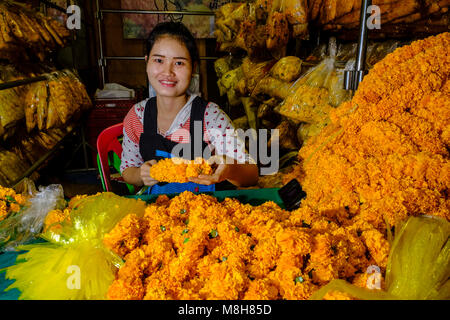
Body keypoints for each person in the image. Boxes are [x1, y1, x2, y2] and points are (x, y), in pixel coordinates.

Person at [120, 21, 258, 194]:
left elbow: (252, 174)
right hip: (159, 211)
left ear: (193, 67)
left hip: (207, 212)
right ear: (147, 62)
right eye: (159, 60)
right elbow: (127, 170)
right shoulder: (137, 116)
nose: (168, 72)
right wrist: (141, 175)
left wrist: (229, 168)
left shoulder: (211, 117)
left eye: (179, 63)